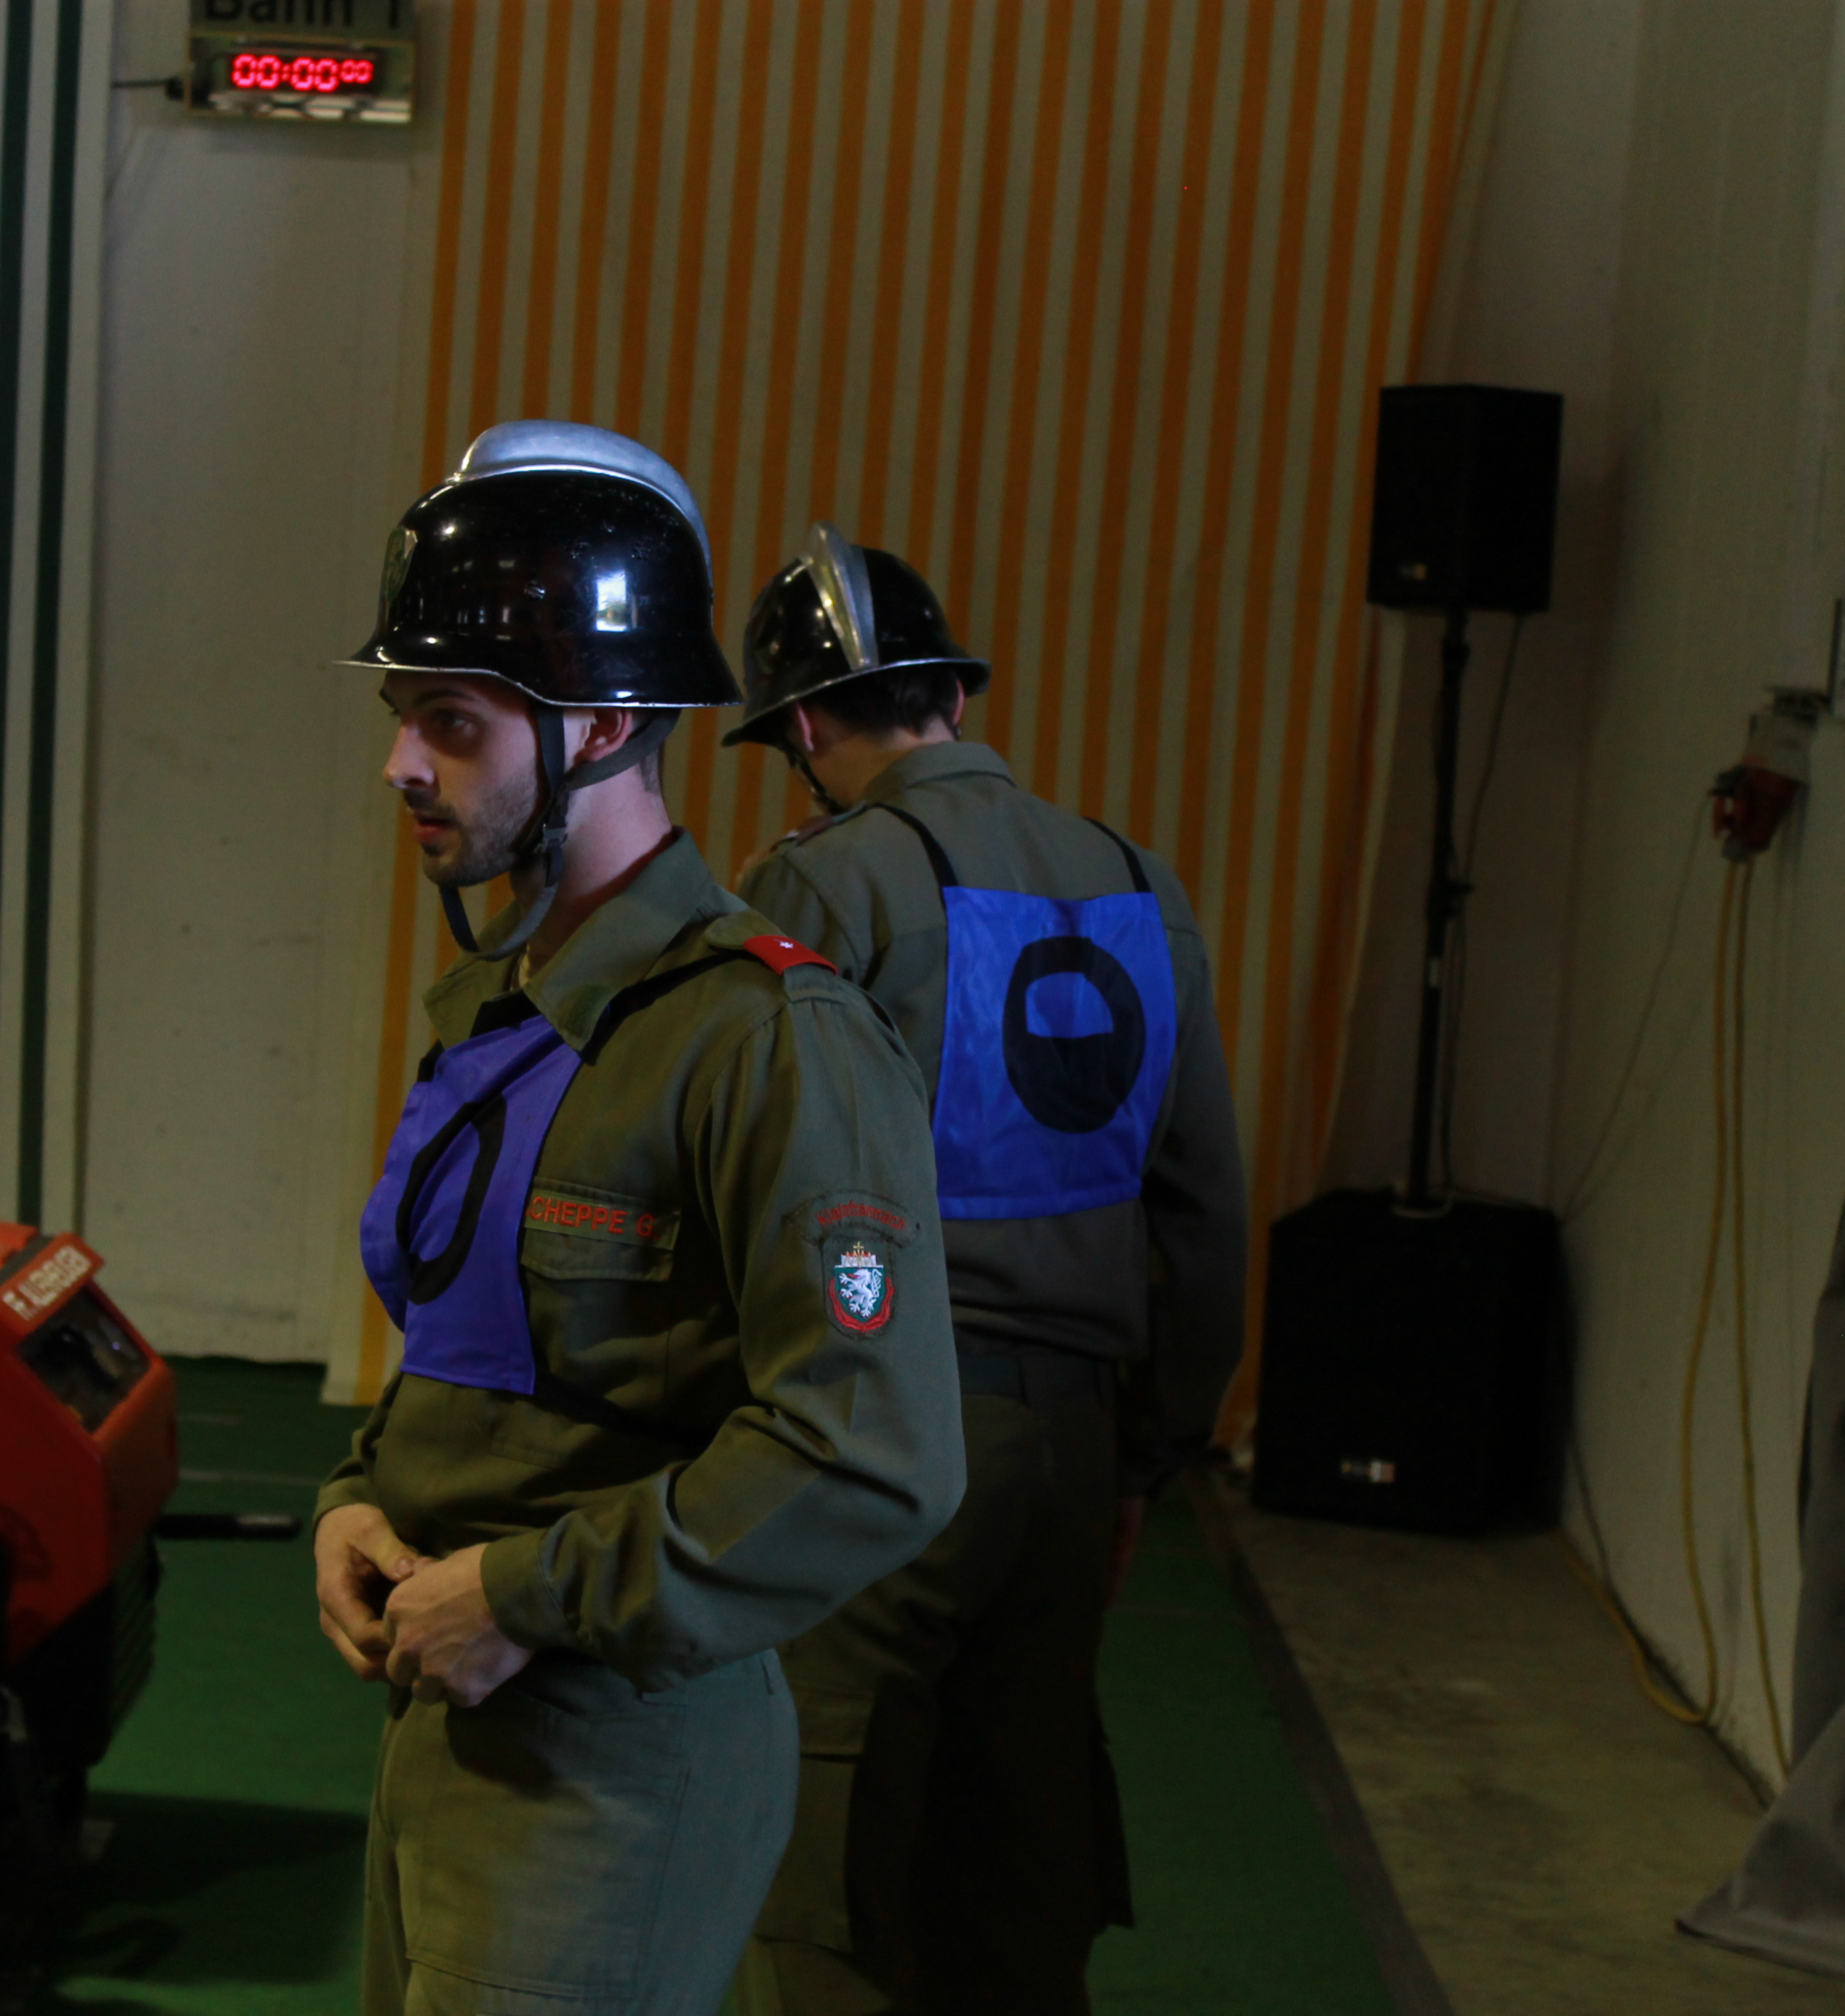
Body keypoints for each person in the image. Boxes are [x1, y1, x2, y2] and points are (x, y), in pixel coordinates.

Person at [311, 425, 967, 2016]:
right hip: (444, 1724)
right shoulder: (508, 1006)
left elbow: (872, 1447)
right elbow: (483, 1351)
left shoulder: (767, 1036)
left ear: (605, 724)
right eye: (405, 718)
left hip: (610, 1752)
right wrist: (355, 1499)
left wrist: (527, 1593)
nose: (403, 767)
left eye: (453, 722)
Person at [724, 527, 1248, 2015]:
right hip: (1074, 1455)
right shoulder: (1140, 882)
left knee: (827, 1887)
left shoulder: (823, 883)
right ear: (951, 695)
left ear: (805, 730)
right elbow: (1205, 1216)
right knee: (1018, 1874)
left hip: (888, 1437)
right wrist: (1144, 1458)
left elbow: (760, 1183)